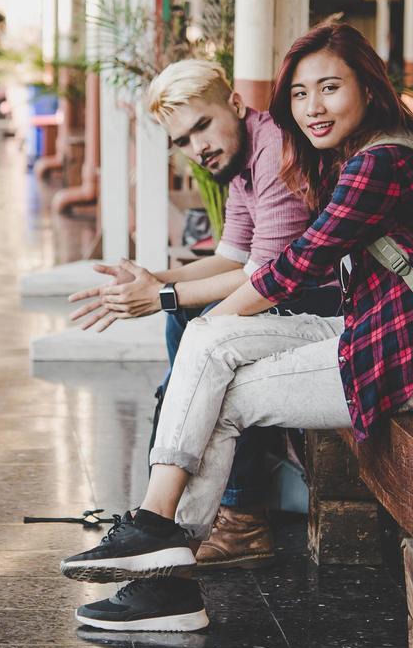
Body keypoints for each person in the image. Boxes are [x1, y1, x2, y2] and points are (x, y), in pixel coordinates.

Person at [60, 23, 413, 632]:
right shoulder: (351, 155)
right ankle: (161, 557)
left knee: (212, 369)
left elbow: (288, 268)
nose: (312, 107)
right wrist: (173, 298)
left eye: (330, 88)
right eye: (301, 94)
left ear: (368, 86)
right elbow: (254, 263)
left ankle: (162, 563)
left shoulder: (379, 164)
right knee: (208, 353)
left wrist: (176, 305)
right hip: (374, 330)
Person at [67, 60, 340, 570]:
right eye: (183, 141)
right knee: (185, 317)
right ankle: (208, 498)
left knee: (202, 326)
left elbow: (266, 278)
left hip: (335, 303)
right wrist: (157, 279)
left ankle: (239, 514)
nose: (198, 148)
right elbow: (231, 259)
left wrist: (164, 297)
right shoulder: (242, 159)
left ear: (235, 104)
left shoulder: (275, 149)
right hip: (292, 291)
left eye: (202, 126)